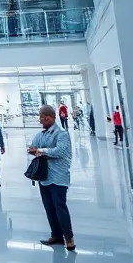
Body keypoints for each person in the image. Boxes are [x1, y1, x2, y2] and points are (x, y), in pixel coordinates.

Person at [28, 104, 74, 251]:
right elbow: (31, 148)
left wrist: (40, 151)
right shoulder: (41, 135)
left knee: (60, 206)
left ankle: (69, 238)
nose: (40, 120)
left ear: (51, 117)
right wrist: (36, 151)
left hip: (59, 177)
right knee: (49, 207)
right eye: (40, 117)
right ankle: (56, 236)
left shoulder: (61, 134)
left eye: (43, 117)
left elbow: (59, 151)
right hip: (45, 177)